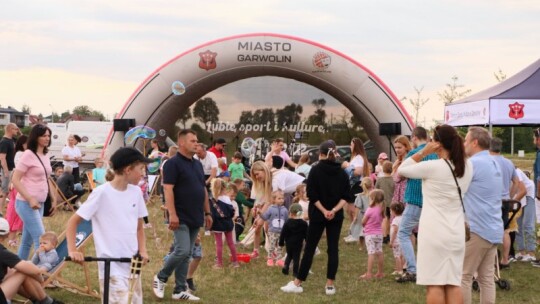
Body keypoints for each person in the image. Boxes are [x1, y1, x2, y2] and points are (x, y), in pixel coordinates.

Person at [398, 124, 473, 303]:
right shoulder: (467, 167)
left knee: (435, 284)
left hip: (434, 232)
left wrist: (423, 152)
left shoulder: (433, 166)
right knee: (453, 282)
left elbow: (402, 169)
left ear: (438, 144)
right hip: (456, 232)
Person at [66, 147, 151, 304]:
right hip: (111, 266)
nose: (143, 174)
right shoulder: (101, 193)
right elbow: (73, 222)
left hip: (133, 263)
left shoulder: (136, 192)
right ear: (128, 170)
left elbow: (139, 227)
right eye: (141, 169)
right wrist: (73, 250)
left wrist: (143, 251)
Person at [280, 140, 350, 295]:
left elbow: (312, 194)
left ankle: (298, 283)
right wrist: (333, 210)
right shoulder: (342, 172)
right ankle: (330, 285)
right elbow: (347, 196)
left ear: (321, 154)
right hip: (335, 215)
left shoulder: (315, 170)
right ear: (335, 153)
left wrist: (324, 211)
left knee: (310, 248)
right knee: (333, 249)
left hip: (318, 215)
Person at [153, 129, 212, 301]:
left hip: (196, 215)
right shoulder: (172, 164)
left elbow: (203, 190)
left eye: (197, 141)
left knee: (187, 254)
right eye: (193, 141)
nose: (197, 144)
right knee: (182, 250)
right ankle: (161, 277)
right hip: (179, 215)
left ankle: (179, 289)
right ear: (181, 143)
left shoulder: (197, 164)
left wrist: (207, 212)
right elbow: (168, 189)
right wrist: (172, 214)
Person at [460, 126, 504, 303]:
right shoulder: (495, 162)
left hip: (478, 228)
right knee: (486, 279)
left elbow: (456, 187)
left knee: (463, 276)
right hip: (493, 227)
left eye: (466, 140)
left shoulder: (474, 164)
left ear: (474, 142)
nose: (464, 144)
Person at [396, 126, 438, 283]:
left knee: (403, 233)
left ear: (413, 138)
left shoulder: (414, 155)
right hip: (430, 200)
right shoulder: (435, 155)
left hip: (414, 199)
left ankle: (412, 269)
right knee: (427, 236)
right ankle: (430, 267)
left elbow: (398, 175)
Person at [12, 124, 57, 259]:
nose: (47, 138)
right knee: (42, 240)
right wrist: (30, 198)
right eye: (44, 136)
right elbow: (15, 179)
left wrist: (54, 198)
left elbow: (47, 177)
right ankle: (40, 274)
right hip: (26, 203)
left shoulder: (45, 154)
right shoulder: (28, 155)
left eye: (48, 136)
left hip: (41, 203)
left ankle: (19, 270)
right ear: (36, 137)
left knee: (27, 241)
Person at [0, 218, 64, 304]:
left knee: (15, 270)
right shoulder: (2, 253)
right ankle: (47, 302)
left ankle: (40, 300)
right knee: (23, 270)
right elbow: (34, 271)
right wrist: (41, 279)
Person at [489, 137, 526, 268]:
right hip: (505, 201)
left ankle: (489, 260)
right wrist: (510, 196)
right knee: (505, 231)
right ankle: (505, 260)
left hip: (491, 201)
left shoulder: (488, 161)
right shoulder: (508, 162)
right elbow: (516, 182)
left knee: (487, 231)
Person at [209, 178, 239, 268]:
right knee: (231, 243)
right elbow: (231, 212)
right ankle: (235, 262)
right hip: (228, 223)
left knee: (219, 244)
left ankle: (219, 263)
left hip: (217, 224)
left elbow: (211, 214)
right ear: (225, 187)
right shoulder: (227, 198)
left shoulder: (213, 200)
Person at [341, 137, 370, 224]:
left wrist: (347, 165)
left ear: (356, 146)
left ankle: (355, 230)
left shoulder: (359, 158)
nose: (350, 147)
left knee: (353, 209)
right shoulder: (356, 157)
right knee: (349, 209)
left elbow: (358, 171)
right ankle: (353, 230)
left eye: (351, 145)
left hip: (356, 185)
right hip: (353, 185)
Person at [5, 134, 27, 247]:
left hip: (19, 185)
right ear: (22, 144)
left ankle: (15, 238)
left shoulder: (23, 153)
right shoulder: (20, 154)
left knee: (18, 213)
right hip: (18, 186)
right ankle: (11, 239)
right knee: (15, 212)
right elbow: (18, 170)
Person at [248, 161, 273, 259]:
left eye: (257, 174)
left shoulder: (273, 180)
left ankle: (272, 252)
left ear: (264, 170)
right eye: (255, 175)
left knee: (268, 229)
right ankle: (256, 251)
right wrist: (256, 207)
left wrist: (261, 215)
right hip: (266, 205)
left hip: (274, 205)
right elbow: (262, 199)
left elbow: (270, 200)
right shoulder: (260, 183)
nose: (257, 177)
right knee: (258, 227)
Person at [360, 189, 385, 279]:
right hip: (379, 234)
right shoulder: (382, 209)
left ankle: (369, 273)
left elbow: (363, 222)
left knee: (371, 253)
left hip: (370, 234)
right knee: (379, 252)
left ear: (373, 199)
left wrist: (364, 224)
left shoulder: (370, 209)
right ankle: (380, 272)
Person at [279, 203, 308, 277]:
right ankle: (295, 272)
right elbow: (306, 234)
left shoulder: (287, 222)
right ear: (301, 213)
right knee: (296, 258)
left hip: (289, 243)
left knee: (289, 255)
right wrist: (307, 242)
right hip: (298, 243)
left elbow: (283, 233)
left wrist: (281, 242)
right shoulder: (304, 224)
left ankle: (286, 266)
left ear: (290, 213)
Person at [261, 190, 288, 266]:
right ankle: (270, 258)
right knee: (272, 245)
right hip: (272, 231)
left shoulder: (285, 210)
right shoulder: (270, 209)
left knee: (280, 246)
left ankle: (279, 259)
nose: (281, 200)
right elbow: (265, 217)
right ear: (274, 199)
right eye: (279, 198)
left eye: (282, 198)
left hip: (282, 232)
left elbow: (287, 221)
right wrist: (260, 213)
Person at [515, 168, 536, 262]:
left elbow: (522, 189)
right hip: (518, 195)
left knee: (528, 224)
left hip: (528, 193)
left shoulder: (516, 172)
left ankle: (531, 253)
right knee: (517, 224)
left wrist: (513, 200)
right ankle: (521, 251)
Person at [344, 177, 372, 246]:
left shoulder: (360, 196)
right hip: (371, 215)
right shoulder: (373, 194)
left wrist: (355, 216)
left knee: (358, 228)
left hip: (362, 215)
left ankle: (358, 239)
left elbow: (357, 207)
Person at [0, 123, 19, 217]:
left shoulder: (12, 140)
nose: (17, 130)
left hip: (12, 168)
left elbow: (24, 139)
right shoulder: (4, 141)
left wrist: (19, 131)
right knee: (4, 190)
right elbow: (2, 158)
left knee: (8, 190)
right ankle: (0, 210)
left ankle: (7, 207)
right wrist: (6, 171)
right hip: (7, 169)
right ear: (10, 129)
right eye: (15, 129)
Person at [375, 160, 394, 244]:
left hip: (382, 203)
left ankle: (384, 236)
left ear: (383, 169)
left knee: (384, 219)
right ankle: (389, 235)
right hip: (392, 202)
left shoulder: (380, 180)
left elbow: (376, 190)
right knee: (390, 219)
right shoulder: (394, 180)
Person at [391, 135, 411, 206]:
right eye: (395, 147)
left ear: (406, 147)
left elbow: (397, 178)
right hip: (397, 193)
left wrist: (394, 169)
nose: (397, 150)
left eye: (399, 147)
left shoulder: (408, 160)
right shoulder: (398, 161)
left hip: (405, 193)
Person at [389, 202, 405, 276]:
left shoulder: (395, 220)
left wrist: (391, 241)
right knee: (401, 255)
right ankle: (400, 268)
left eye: (390, 210)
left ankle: (399, 270)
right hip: (402, 240)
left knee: (397, 256)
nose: (390, 212)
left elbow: (395, 231)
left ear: (394, 211)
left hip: (396, 241)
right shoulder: (403, 219)